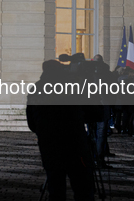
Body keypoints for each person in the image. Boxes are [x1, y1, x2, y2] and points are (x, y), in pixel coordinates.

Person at [26, 57, 95, 201]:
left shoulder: (36, 88)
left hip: (49, 145)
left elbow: (32, 122)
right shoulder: (73, 86)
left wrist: (43, 132)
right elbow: (94, 113)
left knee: (55, 187)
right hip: (75, 144)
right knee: (82, 187)